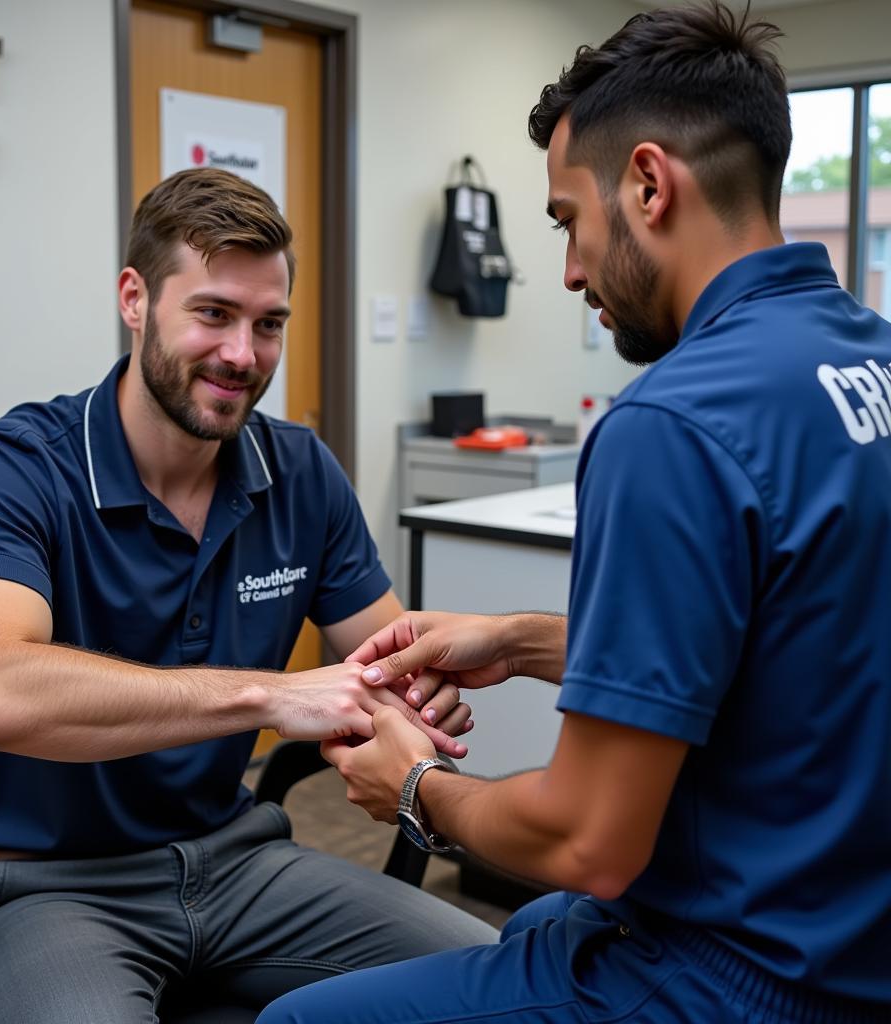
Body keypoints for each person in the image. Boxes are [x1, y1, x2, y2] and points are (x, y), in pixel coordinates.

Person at [258, 3, 891, 1022]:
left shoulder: (670, 424)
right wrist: (523, 639)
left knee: (295, 1019)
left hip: (734, 976)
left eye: (566, 220)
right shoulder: (868, 359)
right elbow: (793, 644)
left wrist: (414, 786)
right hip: (853, 939)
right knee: (520, 929)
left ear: (647, 184)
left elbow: (589, 842)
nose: (567, 270)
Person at [0, 166, 497, 1024]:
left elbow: (386, 658)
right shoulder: (9, 468)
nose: (243, 354)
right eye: (213, 315)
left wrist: (414, 697)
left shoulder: (300, 470)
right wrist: (270, 695)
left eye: (269, 324)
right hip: (50, 889)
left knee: (504, 980)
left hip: (241, 863)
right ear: (135, 299)